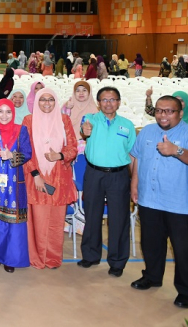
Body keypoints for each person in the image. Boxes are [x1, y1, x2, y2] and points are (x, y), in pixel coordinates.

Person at [129, 95, 188, 308]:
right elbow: (137, 159)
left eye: (169, 111)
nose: (163, 115)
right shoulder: (147, 131)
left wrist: (177, 151)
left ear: (180, 113)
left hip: (179, 202)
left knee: (183, 250)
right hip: (149, 199)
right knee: (151, 243)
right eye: (159, 110)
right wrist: (134, 184)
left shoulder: (186, 131)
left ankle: (185, 291)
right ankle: (152, 277)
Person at [77, 86, 136, 277]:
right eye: (104, 100)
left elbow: (132, 155)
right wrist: (84, 131)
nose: (108, 103)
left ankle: (117, 261)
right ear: (99, 102)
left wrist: (134, 180)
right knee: (92, 215)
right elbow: (84, 131)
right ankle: (91, 255)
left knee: (119, 219)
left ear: (118, 102)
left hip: (119, 176)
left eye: (112, 99)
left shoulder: (127, 125)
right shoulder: (90, 120)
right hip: (94, 174)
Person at [21, 88, 77, 269]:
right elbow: (24, 151)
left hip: (59, 176)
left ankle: (53, 258)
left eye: (51, 99)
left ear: (56, 102)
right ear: (36, 101)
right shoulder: (28, 121)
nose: (46, 103)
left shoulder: (64, 120)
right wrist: (36, 174)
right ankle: (36, 258)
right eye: (43, 99)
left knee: (55, 221)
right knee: (37, 220)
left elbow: (73, 147)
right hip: (35, 177)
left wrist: (59, 156)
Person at [0, 99, 32, 272]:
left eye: (8, 112)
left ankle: (11, 257)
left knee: (13, 219)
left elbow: (27, 153)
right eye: (0, 111)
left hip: (15, 182)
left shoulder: (21, 130)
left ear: (13, 113)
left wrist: (11, 156)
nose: (4, 115)